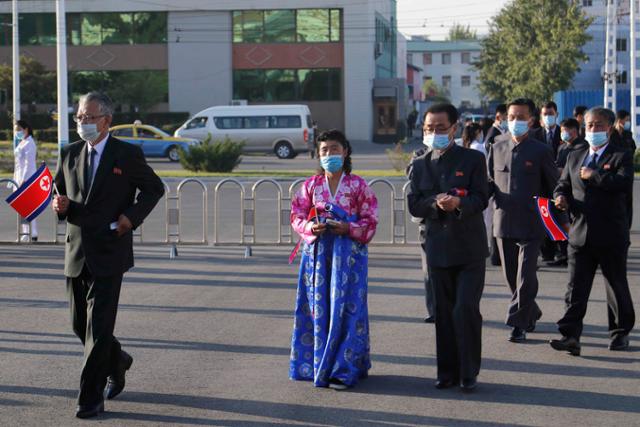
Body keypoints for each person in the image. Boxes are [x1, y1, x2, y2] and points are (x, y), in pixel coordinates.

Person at [52, 92, 164, 418]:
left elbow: (154, 188)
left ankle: (89, 399)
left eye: (89, 117)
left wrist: (131, 217)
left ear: (106, 121)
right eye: (79, 118)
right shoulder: (69, 153)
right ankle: (118, 360)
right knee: (80, 326)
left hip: (110, 250)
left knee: (98, 329)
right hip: (76, 251)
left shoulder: (126, 154)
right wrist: (60, 207)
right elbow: (62, 195)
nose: (83, 123)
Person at [407, 103, 488, 392]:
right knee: (442, 314)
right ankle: (447, 372)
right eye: (429, 128)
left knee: (465, 309)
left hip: (469, 250)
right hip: (437, 249)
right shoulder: (418, 164)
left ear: (454, 127)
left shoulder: (473, 159)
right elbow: (414, 203)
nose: (435, 133)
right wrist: (434, 204)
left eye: (441, 128)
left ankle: (469, 372)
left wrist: (459, 204)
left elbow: (481, 198)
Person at [289, 129, 378, 390]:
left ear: (346, 151)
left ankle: (343, 368)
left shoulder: (359, 185)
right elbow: (296, 215)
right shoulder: (310, 186)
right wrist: (309, 227)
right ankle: (316, 365)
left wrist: (348, 228)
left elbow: (370, 219)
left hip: (349, 259)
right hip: (317, 257)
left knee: (349, 310)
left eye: (335, 149)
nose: (330, 154)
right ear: (318, 154)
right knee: (317, 310)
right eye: (325, 150)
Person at [550, 107, 635, 356]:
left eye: (598, 125)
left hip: (611, 233)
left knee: (616, 285)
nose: (593, 130)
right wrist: (559, 198)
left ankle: (620, 333)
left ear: (609, 128)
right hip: (580, 233)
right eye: (589, 125)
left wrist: (594, 175)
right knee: (576, 287)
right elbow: (562, 185)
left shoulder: (622, 155)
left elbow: (623, 184)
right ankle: (570, 335)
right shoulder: (575, 155)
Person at [487, 98, 559, 343]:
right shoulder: (496, 145)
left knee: (525, 275)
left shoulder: (541, 151)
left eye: (520, 117)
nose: (515, 121)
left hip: (532, 222)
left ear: (531, 120)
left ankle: (518, 324)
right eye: (511, 116)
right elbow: (488, 183)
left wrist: (557, 222)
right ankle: (531, 310)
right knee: (510, 276)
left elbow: (553, 187)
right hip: (503, 220)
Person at [547, 118, 588, 267]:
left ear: (574, 131)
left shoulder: (582, 148)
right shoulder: (563, 148)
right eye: (562, 130)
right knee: (562, 223)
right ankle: (564, 252)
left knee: (572, 224)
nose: (563, 133)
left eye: (566, 130)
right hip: (563, 190)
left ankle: (575, 253)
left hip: (575, 192)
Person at [539, 101, 563, 263]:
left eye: (551, 114)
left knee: (560, 217)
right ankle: (546, 251)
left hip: (560, 181)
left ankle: (562, 251)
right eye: (545, 114)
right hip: (541, 181)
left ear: (557, 115)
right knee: (544, 215)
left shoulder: (564, 132)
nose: (548, 117)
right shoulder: (536, 134)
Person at [13, 119, 38, 242]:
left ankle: (31, 232)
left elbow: (29, 164)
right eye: (16, 130)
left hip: (27, 178)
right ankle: (26, 232)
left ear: (26, 129)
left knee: (28, 206)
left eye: (19, 129)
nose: (17, 132)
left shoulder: (30, 143)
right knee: (21, 207)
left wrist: (24, 180)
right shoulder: (22, 142)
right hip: (19, 177)